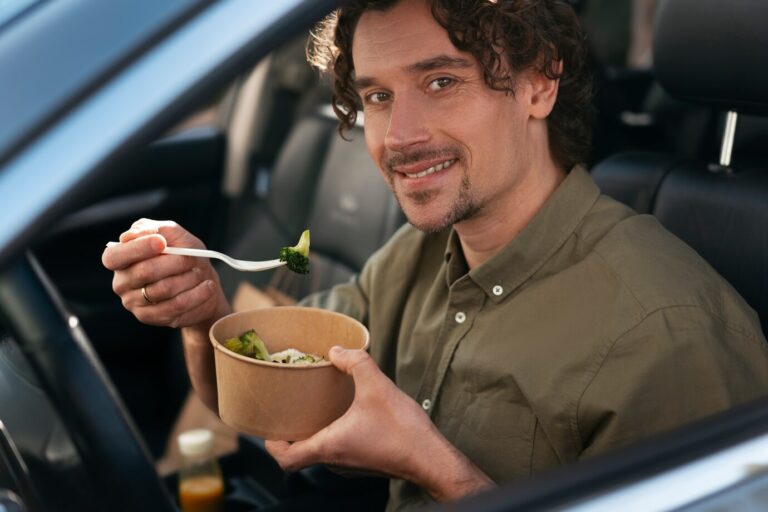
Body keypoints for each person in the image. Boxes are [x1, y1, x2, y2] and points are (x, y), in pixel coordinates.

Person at [102, 0, 768, 510]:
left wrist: (434, 468)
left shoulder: (667, 336)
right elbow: (268, 402)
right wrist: (201, 310)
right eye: (378, 97)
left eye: (442, 82)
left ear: (540, 84)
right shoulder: (416, 258)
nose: (401, 136)